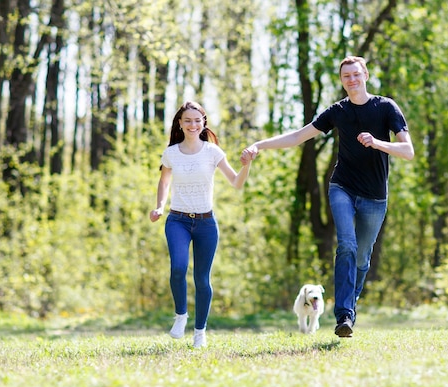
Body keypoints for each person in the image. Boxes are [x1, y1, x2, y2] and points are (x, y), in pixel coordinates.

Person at [242, 56, 414, 338]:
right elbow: (299, 136)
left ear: (366, 75)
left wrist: (377, 142)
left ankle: (350, 307)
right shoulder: (338, 111)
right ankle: (344, 316)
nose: (352, 80)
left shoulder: (386, 107)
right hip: (342, 187)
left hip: (374, 195)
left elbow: (408, 151)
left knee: (361, 258)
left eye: (356, 74)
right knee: (345, 244)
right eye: (346, 76)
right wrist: (259, 145)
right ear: (342, 80)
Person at [150, 101, 252, 348]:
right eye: (188, 120)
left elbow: (236, 183)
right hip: (178, 220)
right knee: (178, 267)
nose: (193, 125)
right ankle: (181, 315)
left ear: (204, 122)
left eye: (197, 120)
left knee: (202, 279)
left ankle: (200, 332)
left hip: (206, 223)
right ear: (180, 124)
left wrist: (246, 165)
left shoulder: (213, 152)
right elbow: (164, 181)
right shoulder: (171, 153)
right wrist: (160, 206)